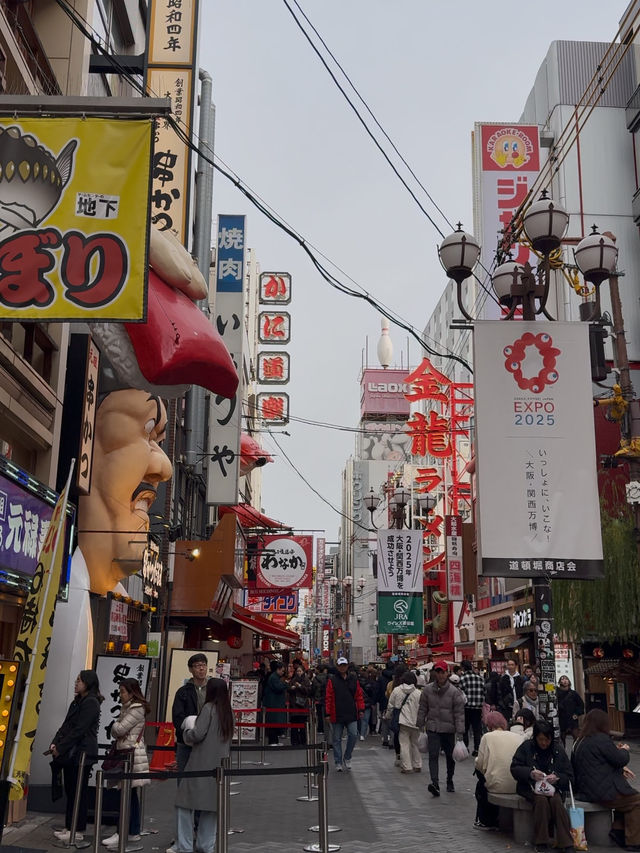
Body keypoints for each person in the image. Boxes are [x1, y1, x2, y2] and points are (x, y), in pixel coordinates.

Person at [175, 678, 234, 853]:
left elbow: (197, 734)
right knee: (211, 807)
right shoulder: (228, 712)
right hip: (219, 766)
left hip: (200, 764)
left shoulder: (208, 708)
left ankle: (184, 846)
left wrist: (186, 730)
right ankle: (205, 845)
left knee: (184, 804)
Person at [571, 708, 640, 851]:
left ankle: (618, 830)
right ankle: (633, 841)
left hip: (585, 790)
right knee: (636, 800)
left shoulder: (580, 741)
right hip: (602, 792)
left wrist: (620, 768)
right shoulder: (601, 739)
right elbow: (620, 759)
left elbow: (598, 763)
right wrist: (624, 749)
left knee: (629, 798)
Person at [50, 670, 103, 844]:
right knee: (71, 790)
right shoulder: (78, 701)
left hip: (82, 752)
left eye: (79, 680)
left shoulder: (91, 703)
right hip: (70, 751)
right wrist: (55, 743)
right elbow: (66, 725)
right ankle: (69, 826)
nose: (75, 683)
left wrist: (61, 747)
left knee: (78, 790)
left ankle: (78, 829)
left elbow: (79, 730)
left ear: (87, 682)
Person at [510, 718, 574, 853]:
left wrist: (557, 777)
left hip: (553, 789)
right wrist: (530, 773)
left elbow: (569, 776)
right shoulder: (527, 747)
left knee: (556, 802)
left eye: (547, 740)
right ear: (535, 738)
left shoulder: (558, 750)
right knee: (541, 801)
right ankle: (541, 841)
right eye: (541, 739)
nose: (544, 743)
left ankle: (566, 843)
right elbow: (515, 768)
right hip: (531, 788)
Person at [102, 678, 150, 848]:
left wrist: (115, 725)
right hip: (129, 754)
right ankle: (131, 831)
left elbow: (119, 729)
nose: (120, 695)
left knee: (126, 795)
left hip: (131, 755)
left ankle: (124, 831)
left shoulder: (135, 709)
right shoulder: (131, 707)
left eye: (122, 691)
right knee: (129, 795)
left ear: (131, 692)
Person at [416, 662, 466, 796]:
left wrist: (460, 731)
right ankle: (435, 783)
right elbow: (422, 708)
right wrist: (420, 724)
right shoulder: (427, 690)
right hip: (432, 728)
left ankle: (449, 780)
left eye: (443, 672)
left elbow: (459, 713)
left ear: (447, 673)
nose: (440, 675)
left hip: (449, 729)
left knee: (450, 757)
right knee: (433, 755)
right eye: (438, 672)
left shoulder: (454, 692)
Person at [474, 711, 524, 830]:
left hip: (497, 784)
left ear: (488, 725)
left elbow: (480, 764)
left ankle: (486, 821)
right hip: (517, 784)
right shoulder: (517, 736)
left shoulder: (487, 737)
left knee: (481, 785)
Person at [172, 654, 211, 775]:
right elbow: (177, 717)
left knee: (206, 776)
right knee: (184, 775)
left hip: (208, 740)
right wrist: (189, 732)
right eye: (197, 666)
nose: (201, 668)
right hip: (187, 740)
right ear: (190, 669)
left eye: (203, 665)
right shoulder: (183, 691)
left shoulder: (212, 689)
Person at [324, 656, 364, 771]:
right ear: (337, 666)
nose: (342, 667)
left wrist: (361, 709)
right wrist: (327, 713)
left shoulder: (353, 679)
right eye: (340, 665)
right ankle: (338, 761)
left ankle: (347, 757)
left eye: (344, 665)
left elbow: (359, 695)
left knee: (353, 735)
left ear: (347, 666)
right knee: (336, 739)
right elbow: (328, 697)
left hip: (351, 713)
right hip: (336, 713)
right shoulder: (332, 680)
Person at [385, 671, 422, 774]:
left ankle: (407, 766)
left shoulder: (397, 690)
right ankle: (417, 764)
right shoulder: (418, 693)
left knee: (404, 744)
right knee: (415, 744)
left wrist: (387, 716)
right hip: (415, 722)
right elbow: (422, 708)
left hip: (403, 721)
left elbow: (391, 705)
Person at [459, 660, 485, 756]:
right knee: (477, 729)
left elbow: (460, 694)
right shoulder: (480, 678)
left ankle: (466, 748)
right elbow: (484, 692)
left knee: (465, 728)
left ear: (463, 668)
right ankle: (477, 749)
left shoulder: (463, 678)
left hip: (466, 707)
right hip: (478, 707)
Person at [263, 660, 288, 745]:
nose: (283, 672)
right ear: (278, 669)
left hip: (275, 702)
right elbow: (278, 688)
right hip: (273, 703)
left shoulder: (275, 677)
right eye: (282, 671)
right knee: (273, 722)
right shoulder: (274, 678)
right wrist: (286, 684)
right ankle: (272, 741)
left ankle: (275, 740)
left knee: (275, 722)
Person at [557, 676, 585, 746]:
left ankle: (575, 751)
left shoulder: (573, 693)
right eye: (562, 679)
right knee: (561, 739)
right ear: (560, 682)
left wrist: (577, 713)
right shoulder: (557, 693)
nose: (565, 681)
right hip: (561, 719)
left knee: (576, 737)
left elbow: (581, 704)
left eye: (566, 679)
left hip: (572, 719)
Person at [287, 664, 312, 745]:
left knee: (302, 724)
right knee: (294, 724)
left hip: (303, 705)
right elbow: (288, 689)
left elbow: (308, 691)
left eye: (300, 671)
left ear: (303, 671)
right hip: (294, 705)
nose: (298, 673)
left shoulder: (306, 680)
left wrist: (300, 686)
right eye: (297, 671)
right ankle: (294, 741)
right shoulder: (293, 680)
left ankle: (303, 741)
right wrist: (292, 688)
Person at [311, 664, 329, 735]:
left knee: (319, 714)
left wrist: (313, 696)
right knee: (326, 713)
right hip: (325, 698)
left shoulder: (315, 679)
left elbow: (313, 689)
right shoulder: (327, 677)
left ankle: (320, 728)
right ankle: (326, 728)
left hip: (318, 699)